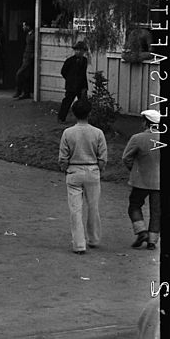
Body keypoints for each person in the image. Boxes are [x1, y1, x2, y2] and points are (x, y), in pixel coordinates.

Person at [58, 97, 107, 254]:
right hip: (92, 170)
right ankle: (93, 239)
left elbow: (63, 157)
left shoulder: (68, 133)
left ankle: (79, 244)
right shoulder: (98, 133)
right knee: (93, 207)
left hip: (74, 171)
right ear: (89, 113)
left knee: (75, 209)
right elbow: (102, 157)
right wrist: (99, 169)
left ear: (73, 113)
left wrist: (65, 168)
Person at [122, 109, 162, 250]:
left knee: (134, 205)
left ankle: (141, 230)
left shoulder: (137, 138)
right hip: (160, 182)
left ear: (146, 122)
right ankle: (152, 240)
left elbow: (126, 158)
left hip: (141, 180)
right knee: (156, 211)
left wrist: (134, 169)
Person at [58, 41, 90, 123]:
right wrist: (70, 80)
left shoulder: (85, 61)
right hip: (71, 86)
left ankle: (83, 119)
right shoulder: (69, 60)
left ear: (84, 51)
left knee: (83, 103)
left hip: (81, 86)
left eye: (81, 50)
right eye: (76, 50)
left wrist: (85, 87)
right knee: (67, 102)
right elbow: (63, 72)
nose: (78, 52)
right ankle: (61, 118)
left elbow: (83, 74)